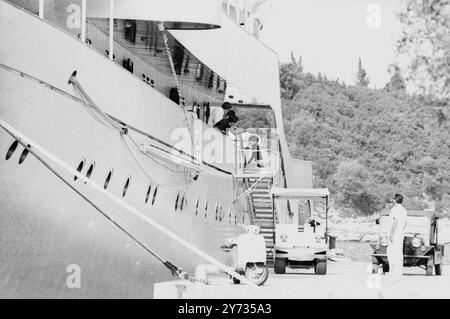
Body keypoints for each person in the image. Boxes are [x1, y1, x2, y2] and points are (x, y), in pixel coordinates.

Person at [387, 193, 407, 276]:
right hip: (401, 232)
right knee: (399, 252)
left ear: (395, 200)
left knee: (391, 251)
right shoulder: (404, 210)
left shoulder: (395, 210)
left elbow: (395, 222)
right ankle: (399, 271)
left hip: (395, 233)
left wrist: (391, 234)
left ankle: (393, 270)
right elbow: (405, 223)